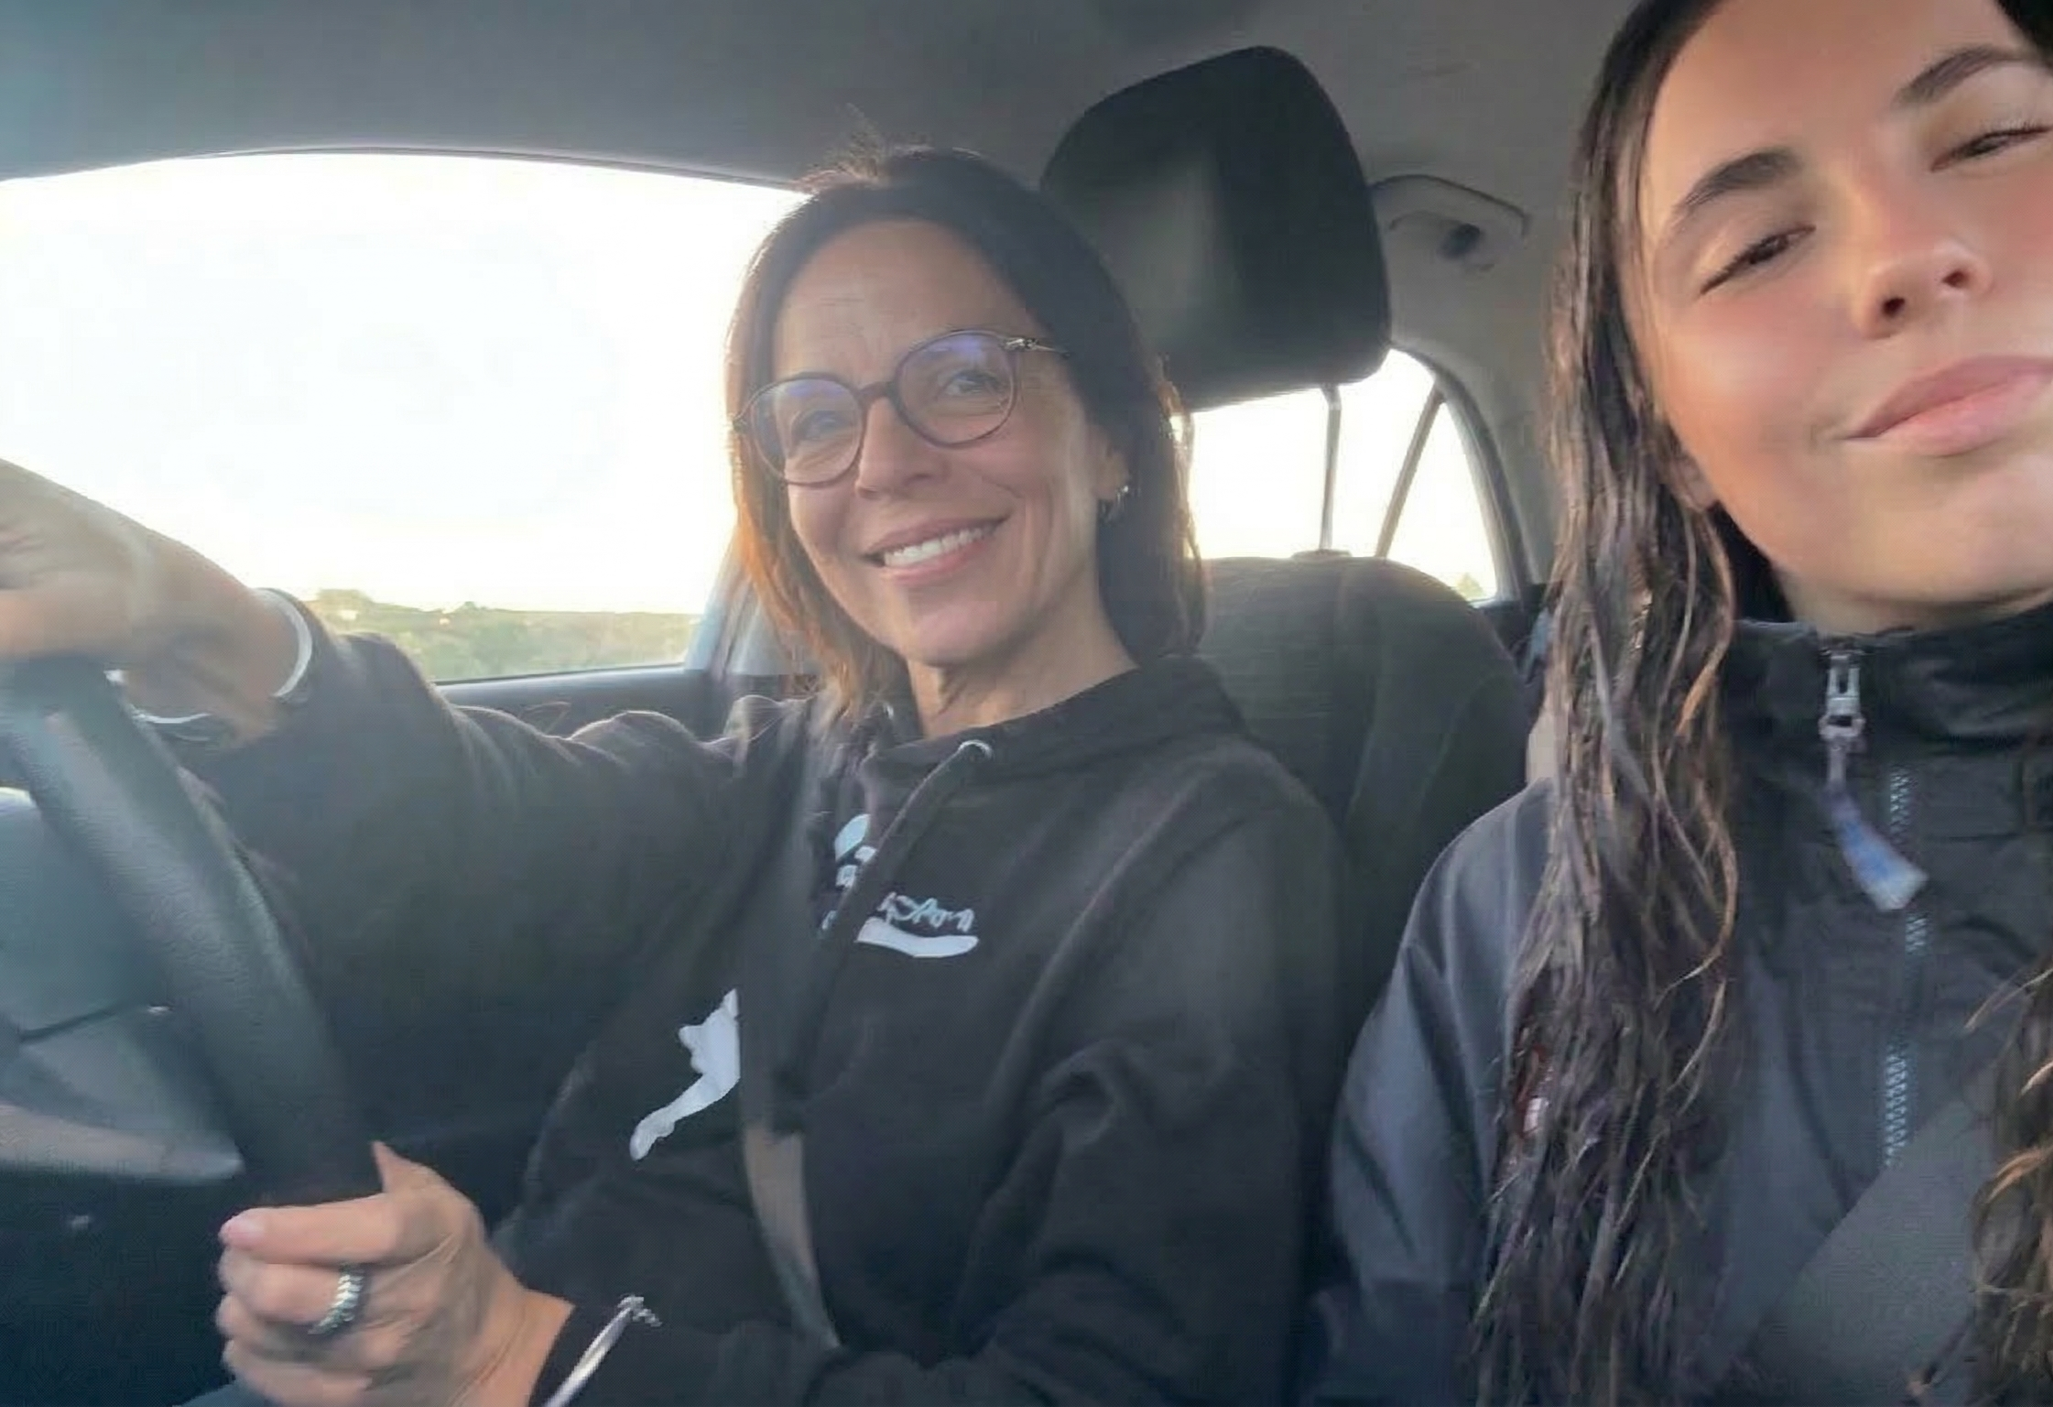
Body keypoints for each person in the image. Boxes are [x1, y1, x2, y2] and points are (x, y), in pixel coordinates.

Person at [0, 147, 1347, 1406]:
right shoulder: (785, 764)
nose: (884, 462)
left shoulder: (1212, 856)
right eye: (814, 418)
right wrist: (192, 620)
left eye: (961, 379)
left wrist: (517, 1354)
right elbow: (488, 837)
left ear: (1111, 436)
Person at [1304, 0, 2053, 1403]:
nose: (1904, 256)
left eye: (1990, 139)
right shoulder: (1506, 916)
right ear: (1669, 435)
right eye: (1758, 246)